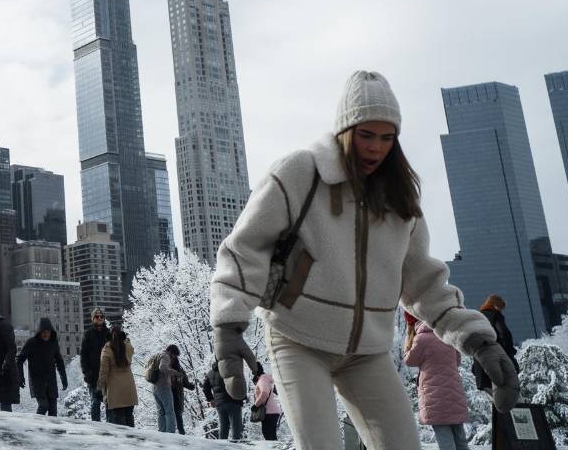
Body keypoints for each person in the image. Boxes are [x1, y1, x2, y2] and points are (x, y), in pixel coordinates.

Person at [210, 70, 519, 450]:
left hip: (368, 353)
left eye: (387, 138)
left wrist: (479, 341)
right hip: (297, 339)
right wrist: (229, 326)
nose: (376, 147)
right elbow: (246, 247)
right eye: (366, 135)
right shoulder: (299, 173)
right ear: (345, 130)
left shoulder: (401, 201)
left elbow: (424, 284)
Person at [406, 318, 471, 450]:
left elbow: (409, 360)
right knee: (461, 440)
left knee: (445, 441)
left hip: (435, 396)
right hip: (454, 393)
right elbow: (457, 361)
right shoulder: (449, 336)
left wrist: (408, 341)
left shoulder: (421, 339)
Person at [17, 317, 68, 416]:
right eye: (43, 332)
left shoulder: (53, 342)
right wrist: (20, 377)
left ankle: (52, 427)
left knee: (53, 410)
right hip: (37, 381)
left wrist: (64, 379)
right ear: (39, 332)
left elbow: (59, 362)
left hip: (51, 381)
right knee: (43, 405)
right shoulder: (31, 343)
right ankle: (36, 424)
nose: (46, 334)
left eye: (48, 332)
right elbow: (19, 360)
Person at [473, 295, 518, 394]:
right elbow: (504, 334)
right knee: (508, 393)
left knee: (495, 397)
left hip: (480, 364)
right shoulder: (495, 315)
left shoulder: (477, 317)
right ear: (496, 305)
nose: (501, 311)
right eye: (501, 308)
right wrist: (510, 351)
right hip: (497, 359)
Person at [97, 325, 137, 427]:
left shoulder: (106, 350)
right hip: (129, 388)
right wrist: (126, 340)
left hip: (115, 390)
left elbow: (103, 372)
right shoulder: (128, 347)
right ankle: (133, 437)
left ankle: (124, 438)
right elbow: (130, 347)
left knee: (119, 421)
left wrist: (99, 388)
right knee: (129, 417)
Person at [79, 307, 110, 421]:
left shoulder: (109, 333)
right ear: (93, 319)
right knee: (95, 403)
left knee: (109, 403)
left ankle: (111, 427)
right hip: (93, 375)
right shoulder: (88, 334)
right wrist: (86, 372)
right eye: (97, 316)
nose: (100, 318)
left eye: (102, 316)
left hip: (108, 374)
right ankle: (96, 428)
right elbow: (83, 355)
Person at [203, 358, 245, 439]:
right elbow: (238, 383)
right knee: (236, 426)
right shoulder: (230, 368)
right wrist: (244, 396)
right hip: (233, 401)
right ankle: (236, 444)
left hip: (220, 403)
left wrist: (211, 399)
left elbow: (205, 388)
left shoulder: (211, 373)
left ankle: (222, 444)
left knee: (224, 426)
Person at [150, 343, 186, 433]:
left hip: (155, 387)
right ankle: (170, 433)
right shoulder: (166, 356)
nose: (174, 358)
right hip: (164, 386)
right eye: (174, 355)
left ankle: (162, 432)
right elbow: (162, 368)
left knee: (161, 411)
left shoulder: (158, 355)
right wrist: (175, 373)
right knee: (170, 411)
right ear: (171, 352)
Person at [169, 345, 195, 434]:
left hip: (176, 393)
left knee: (177, 413)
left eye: (175, 356)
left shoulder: (178, 367)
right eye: (174, 355)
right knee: (172, 413)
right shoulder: (165, 363)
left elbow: (183, 380)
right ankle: (175, 432)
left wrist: (190, 385)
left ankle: (181, 432)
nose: (174, 357)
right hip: (170, 392)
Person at [253, 362, 283, 441]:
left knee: (269, 437)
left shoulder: (262, 380)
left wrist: (256, 405)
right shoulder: (265, 379)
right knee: (270, 436)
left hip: (269, 413)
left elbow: (264, 393)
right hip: (271, 412)